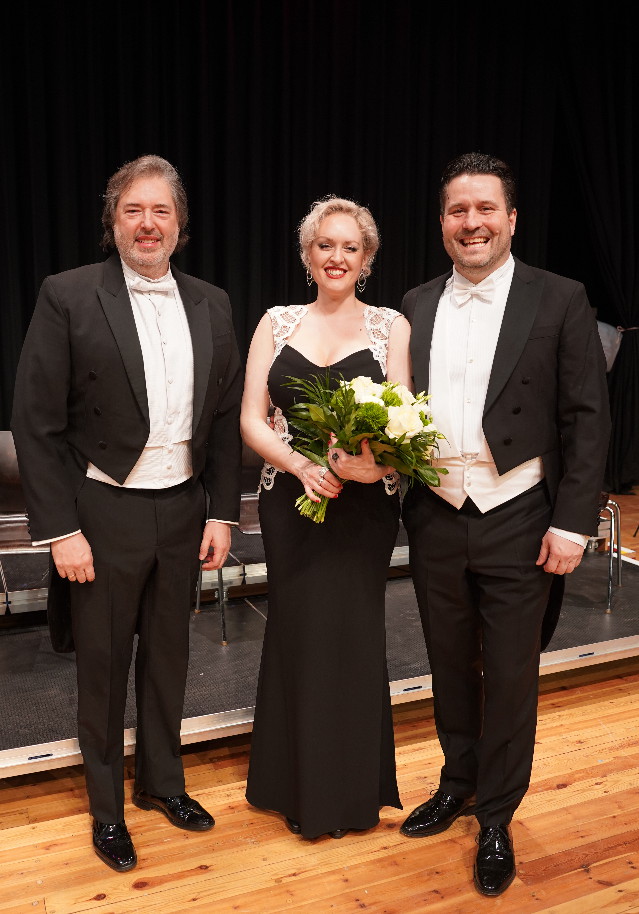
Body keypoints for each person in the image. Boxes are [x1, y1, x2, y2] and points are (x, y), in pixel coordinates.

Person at [11, 155, 242, 872]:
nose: (148, 224)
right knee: (104, 666)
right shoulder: (68, 294)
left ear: (179, 223)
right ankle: (107, 808)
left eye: (160, 211)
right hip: (102, 511)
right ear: (112, 222)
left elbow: (225, 420)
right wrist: (61, 530)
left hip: (184, 508)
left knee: (170, 657)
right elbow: (36, 423)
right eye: (133, 210)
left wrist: (222, 514)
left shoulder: (213, 302)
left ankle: (162, 783)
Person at [399, 153, 610, 896]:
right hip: (436, 512)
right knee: (448, 662)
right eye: (458, 210)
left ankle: (496, 815)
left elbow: (587, 420)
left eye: (485, 208)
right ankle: (456, 782)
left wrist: (572, 524)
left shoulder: (560, 297)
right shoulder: (416, 303)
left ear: (511, 219)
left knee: (512, 674)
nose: (472, 223)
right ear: (442, 222)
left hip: (520, 513)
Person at [241, 197, 411, 839]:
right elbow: (251, 419)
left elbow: (404, 420)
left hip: (364, 507)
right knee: (298, 633)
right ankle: (293, 787)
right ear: (308, 254)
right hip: (292, 502)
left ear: (366, 259)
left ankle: (351, 793)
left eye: (350, 247)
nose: (336, 257)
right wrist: (300, 467)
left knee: (354, 636)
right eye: (325, 245)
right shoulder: (276, 322)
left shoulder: (391, 327)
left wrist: (369, 463)